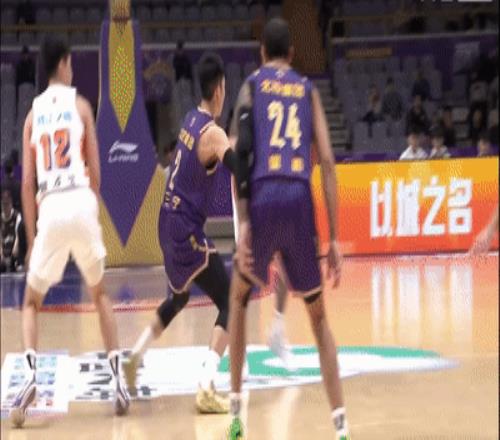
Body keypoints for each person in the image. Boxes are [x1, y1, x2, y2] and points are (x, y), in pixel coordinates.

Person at [227, 18, 349, 440]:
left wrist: (244, 223)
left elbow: (240, 153)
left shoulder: (251, 86)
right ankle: (341, 427)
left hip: (263, 197)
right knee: (319, 320)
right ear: (292, 55)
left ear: (262, 52)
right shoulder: (308, 89)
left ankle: (236, 416)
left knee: (238, 300)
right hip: (298, 198)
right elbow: (328, 162)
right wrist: (334, 238)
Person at [10, 36, 129, 427]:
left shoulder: (32, 115)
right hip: (80, 199)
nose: (72, 68)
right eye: (71, 62)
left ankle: (30, 376)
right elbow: (96, 172)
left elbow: (26, 183)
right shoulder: (81, 106)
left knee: (31, 302)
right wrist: (88, 209)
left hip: (50, 204)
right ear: (62, 63)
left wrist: (32, 239)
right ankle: (118, 380)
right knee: (100, 294)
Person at [123, 52, 240, 414]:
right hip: (185, 230)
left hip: (167, 222)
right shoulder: (214, 133)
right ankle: (205, 385)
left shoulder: (191, 119)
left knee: (178, 299)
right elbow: (237, 166)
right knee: (232, 302)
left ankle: (135, 356)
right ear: (219, 89)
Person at [1, 190, 22, 273]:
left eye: (7, 204)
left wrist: (15, 248)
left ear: (11, 203)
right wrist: (1, 253)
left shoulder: (17, 216)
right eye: (3, 204)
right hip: (4, 252)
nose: (5, 207)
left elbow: (18, 235)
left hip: (14, 251)